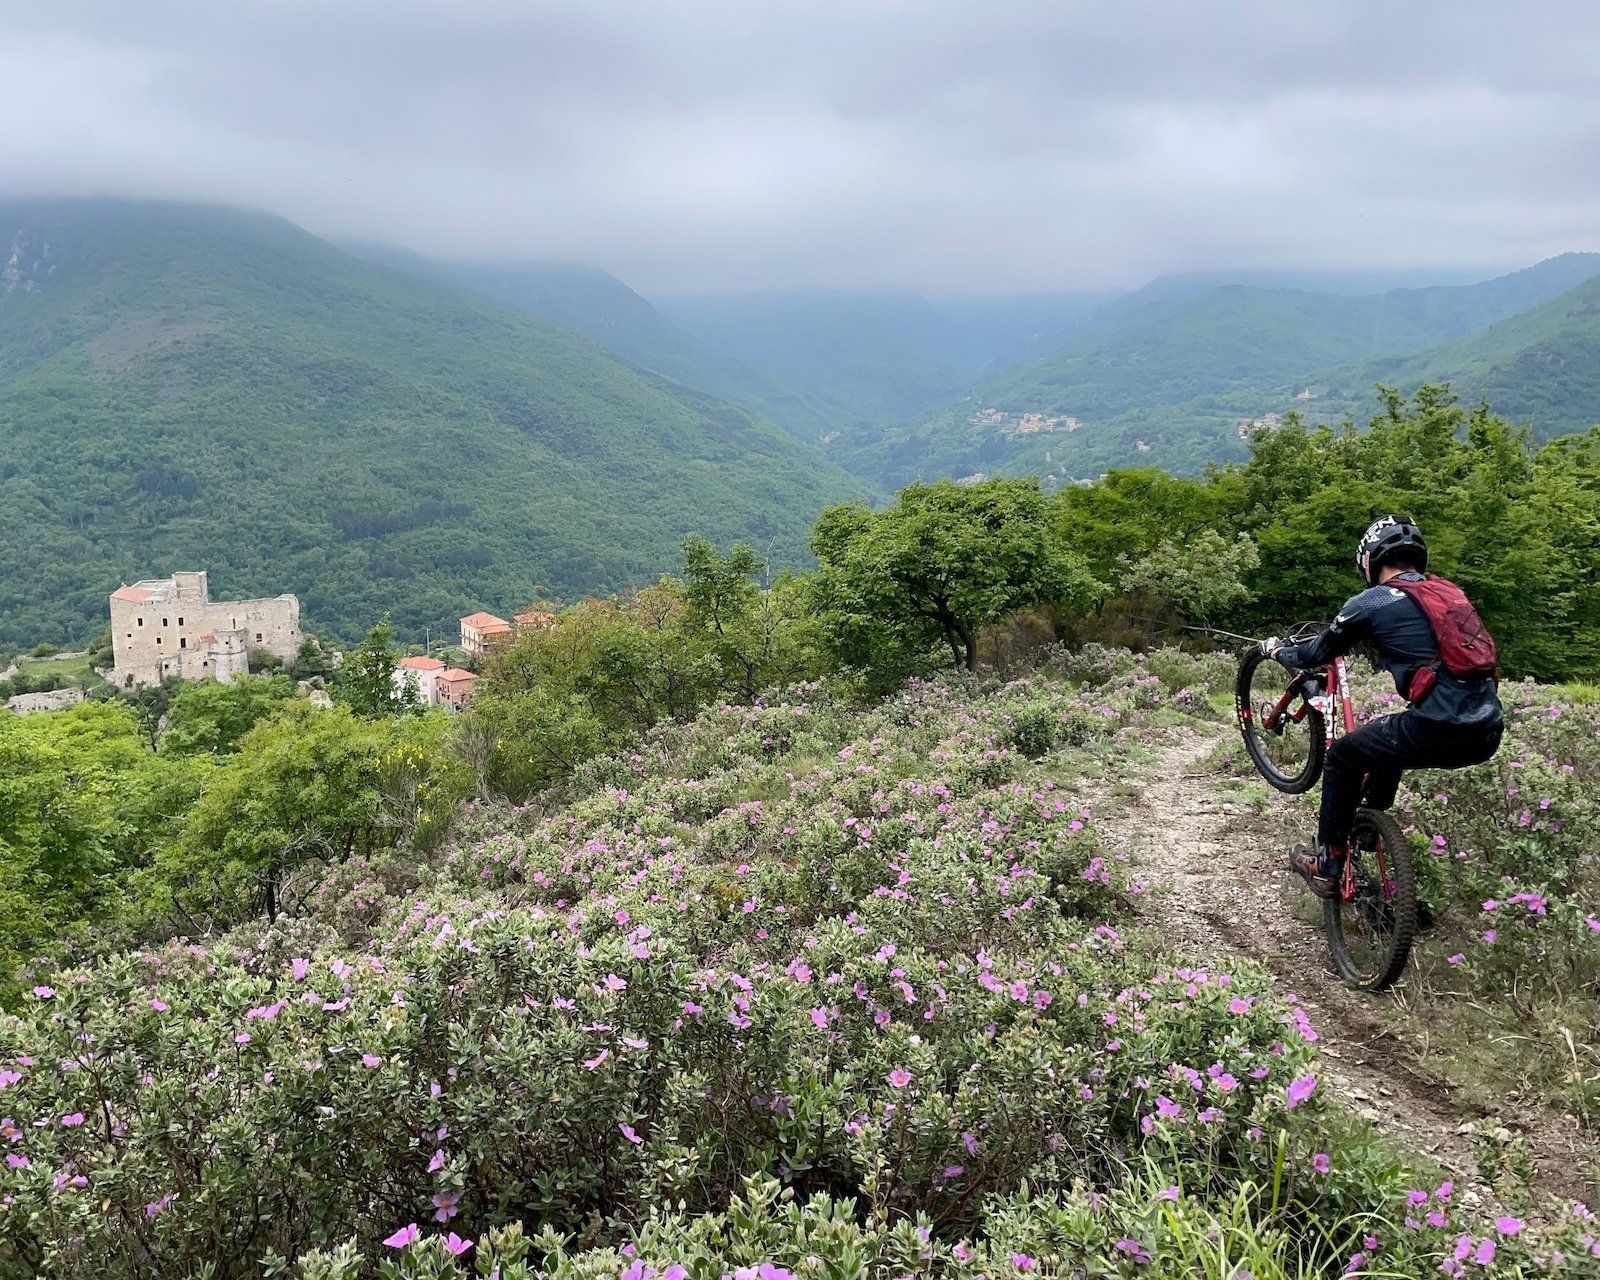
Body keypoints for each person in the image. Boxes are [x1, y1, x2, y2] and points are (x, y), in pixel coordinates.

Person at [1264, 515, 1503, 897]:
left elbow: (1314, 653)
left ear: (1370, 560)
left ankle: (1327, 867)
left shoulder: (1373, 600)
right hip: (1487, 731)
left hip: (1437, 727)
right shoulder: (1448, 593)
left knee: (1342, 756)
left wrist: (1278, 650)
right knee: (1386, 738)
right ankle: (1368, 824)